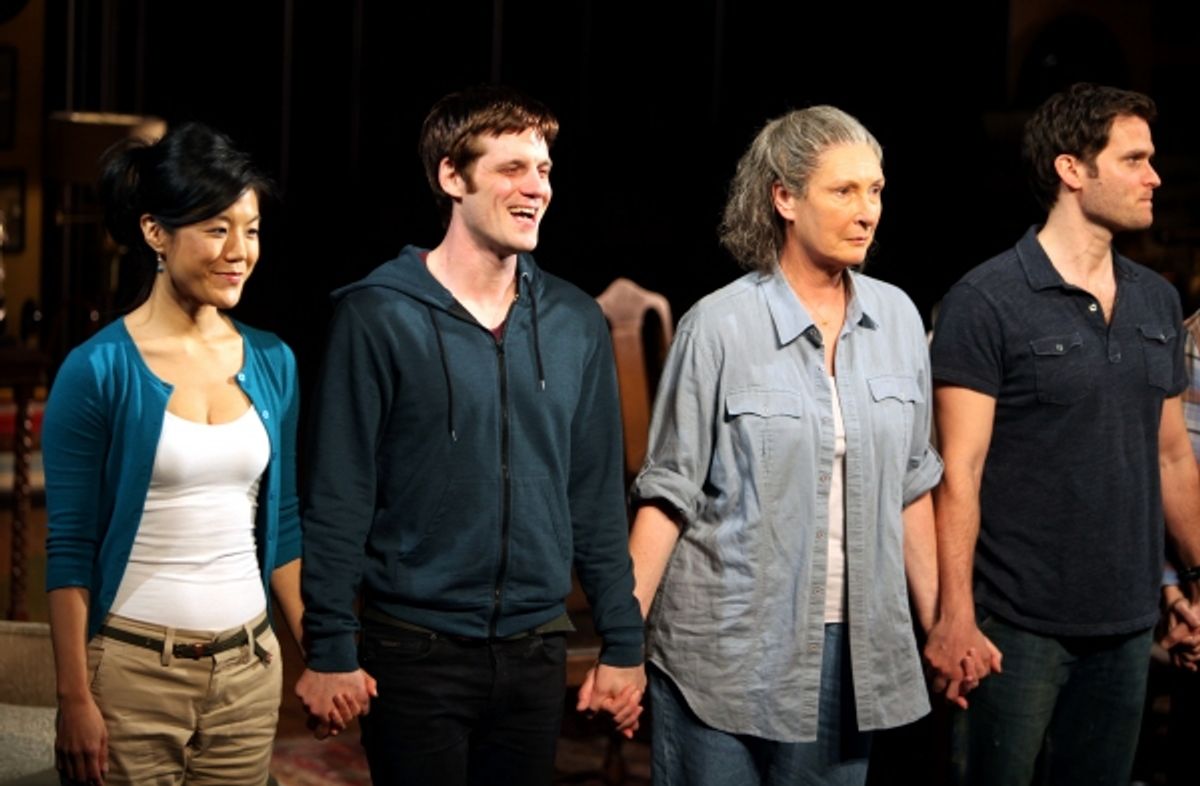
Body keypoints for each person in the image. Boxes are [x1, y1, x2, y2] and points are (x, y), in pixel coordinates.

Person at [295, 85, 645, 785]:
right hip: (414, 650)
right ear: (451, 176)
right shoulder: (377, 315)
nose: (537, 188)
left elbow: (597, 501)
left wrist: (623, 643)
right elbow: (339, 495)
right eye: (512, 168)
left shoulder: (575, 322)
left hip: (535, 651)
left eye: (543, 170)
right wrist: (329, 645)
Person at [626, 105, 948, 786]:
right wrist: (622, 642)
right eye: (844, 190)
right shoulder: (718, 326)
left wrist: (943, 623)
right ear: (785, 199)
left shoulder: (896, 318)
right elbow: (668, 492)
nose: (867, 212)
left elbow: (912, 485)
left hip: (852, 655)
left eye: (876, 190)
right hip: (724, 648)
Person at [926, 82, 1200, 786]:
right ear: (1072, 169)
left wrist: (1196, 583)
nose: (1154, 177)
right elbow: (959, 470)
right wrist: (954, 614)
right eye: (1134, 159)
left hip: (1127, 623)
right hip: (1015, 625)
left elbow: (1173, 458)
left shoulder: (1156, 301)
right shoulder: (986, 301)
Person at [44, 122, 303, 785]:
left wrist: (322, 654)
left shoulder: (273, 359)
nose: (239, 251)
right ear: (155, 233)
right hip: (132, 677)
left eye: (250, 230)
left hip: (249, 673)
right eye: (216, 229)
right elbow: (69, 548)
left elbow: (283, 525)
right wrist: (74, 698)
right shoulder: (98, 369)